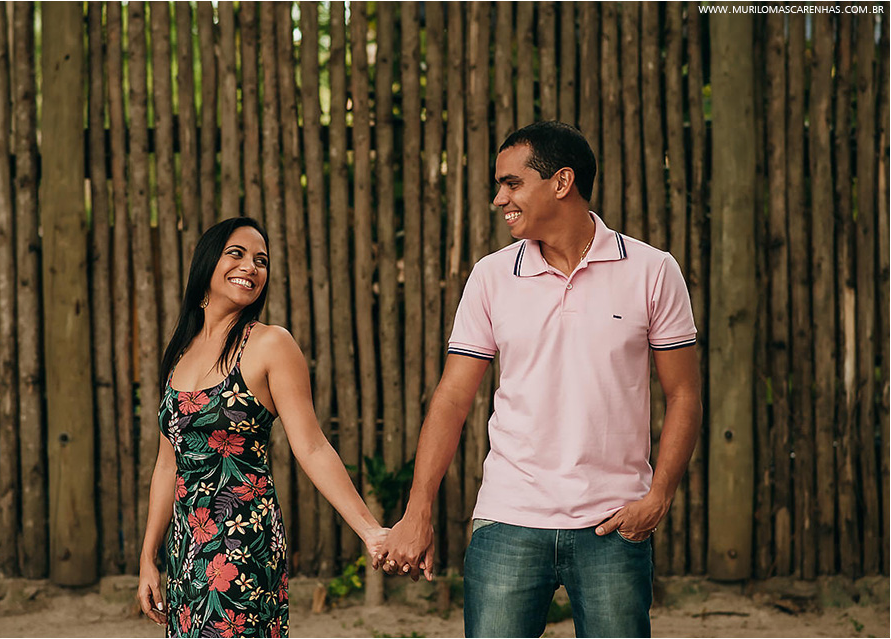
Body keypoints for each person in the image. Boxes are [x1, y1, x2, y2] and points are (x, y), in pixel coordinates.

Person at [373, 121, 702, 638]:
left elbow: (683, 393)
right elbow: (454, 397)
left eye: (512, 183)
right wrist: (418, 511)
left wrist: (658, 497)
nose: (499, 197)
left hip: (614, 523)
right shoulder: (491, 276)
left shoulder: (652, 271)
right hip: (509, 518)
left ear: (562, 182)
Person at [138, 217, 388, 638]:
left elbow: (311, 446)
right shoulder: (180, 351)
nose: (251, 267)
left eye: (261, 260)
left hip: (242, 543)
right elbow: (167, 466)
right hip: (184, 548)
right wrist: (149, 558)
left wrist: (369, 529)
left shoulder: (270, 343)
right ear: (207, 264)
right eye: (236, 255)